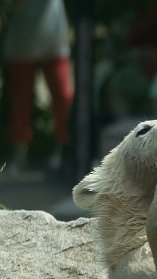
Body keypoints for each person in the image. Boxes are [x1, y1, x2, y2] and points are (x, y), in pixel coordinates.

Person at [4, 0, 74, 170]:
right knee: (20, 101)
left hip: (54, 43)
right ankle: (19, 153)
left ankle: (63, 150)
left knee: (62, 97)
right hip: (22, 42)